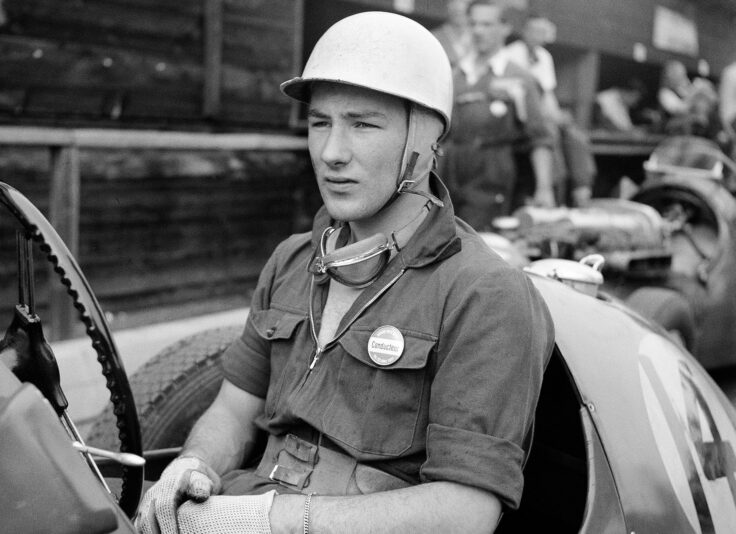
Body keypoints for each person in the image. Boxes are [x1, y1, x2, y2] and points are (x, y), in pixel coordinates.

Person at [135, 10, 554, 534]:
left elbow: (465, 512)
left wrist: (267, 521)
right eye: (319, 123)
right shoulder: (290, 261)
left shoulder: (484, 292)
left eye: (363, 124)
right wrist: (193, 464)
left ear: (423, 144)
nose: (332, 153)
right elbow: (234, 412)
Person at [441, 0, 555, 231]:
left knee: (477, 242)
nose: (478, 31)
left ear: (505, 28)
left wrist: (544, 188)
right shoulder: (455, 74)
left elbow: (539, 139)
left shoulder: (519, 77)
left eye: (487, 24)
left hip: (492, 171)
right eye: (473, 24)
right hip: (449, 170)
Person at [503, 13, 596, 208]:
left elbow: (548, 94)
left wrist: (557, 115)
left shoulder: (545, 57)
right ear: (525, 32)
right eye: (535, 30)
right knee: (549, 136)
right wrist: (547, 117)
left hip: (543, 114)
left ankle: (582, 191)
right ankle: (553, 194)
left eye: (542, 32)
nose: (539, 35)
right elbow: (518, 98)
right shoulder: (510, 54)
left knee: (576, 136)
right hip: (519, 117)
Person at [658, 59, 718, 137]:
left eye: (683, 74)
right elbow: (680, 110)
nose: (683, 77)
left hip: (696, 131)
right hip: (674, 133)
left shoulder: (687, 90)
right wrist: (695, 91)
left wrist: (707, 91)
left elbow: (714, 101)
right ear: (670, 75)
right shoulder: (665, 93)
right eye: (678, 74)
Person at [431, 0, 474, 68]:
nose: (460, 7)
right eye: (455, 2)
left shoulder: (478, 38)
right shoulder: (432, 38)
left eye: (465, 3)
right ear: (448, 6)